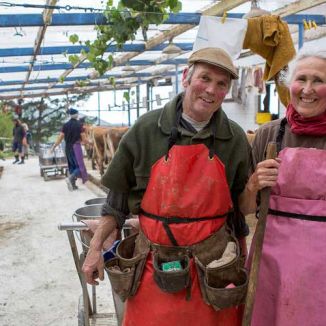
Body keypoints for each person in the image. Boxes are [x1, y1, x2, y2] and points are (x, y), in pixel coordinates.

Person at [82, 47, 253, 326]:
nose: (211, 89)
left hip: (213, 270)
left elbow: (239, 213)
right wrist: (94, 251)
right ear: (186, 77)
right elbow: (116, 204)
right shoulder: (147, 129)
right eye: (204, 78)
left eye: (221, 84)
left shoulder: (234, 139)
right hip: (154, 264)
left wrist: (240, 261)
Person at [244, 44, 326, 326]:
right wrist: (254, 184)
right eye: (301, 79)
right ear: (289, 84)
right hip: (272, 265)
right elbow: (243, 207)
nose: (307, 89)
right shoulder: (269, 134)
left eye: (319, 81)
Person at [51, 108, 89, 191]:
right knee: (80, 167)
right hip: (76, 147)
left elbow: (60, 137)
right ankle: (70, 178)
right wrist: (90, 142)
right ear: (76, 115)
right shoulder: (80, 125)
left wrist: (54, 146)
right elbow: (84, 139)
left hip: (67, 148)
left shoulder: (65, 125)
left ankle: (73, 185)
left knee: (72, 166)